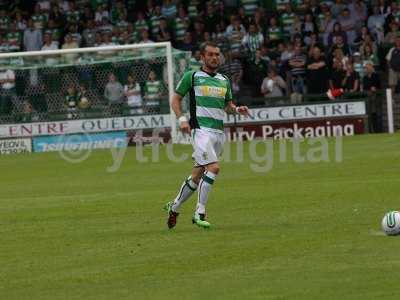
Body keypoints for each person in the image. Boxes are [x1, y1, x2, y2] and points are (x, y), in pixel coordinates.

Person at [164, 42, 249, 229]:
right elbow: (175, 99)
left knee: (197, 175)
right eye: (210, 54)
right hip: (200, 130)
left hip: (218, 132)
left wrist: (237, 109)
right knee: (214, 168)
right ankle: (199, 212)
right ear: (202, 57)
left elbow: (227, 106)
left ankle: (175, 207)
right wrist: (181, 120)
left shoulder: (224, 80)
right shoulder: (192, 76)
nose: (214, 57)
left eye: (217, 54)